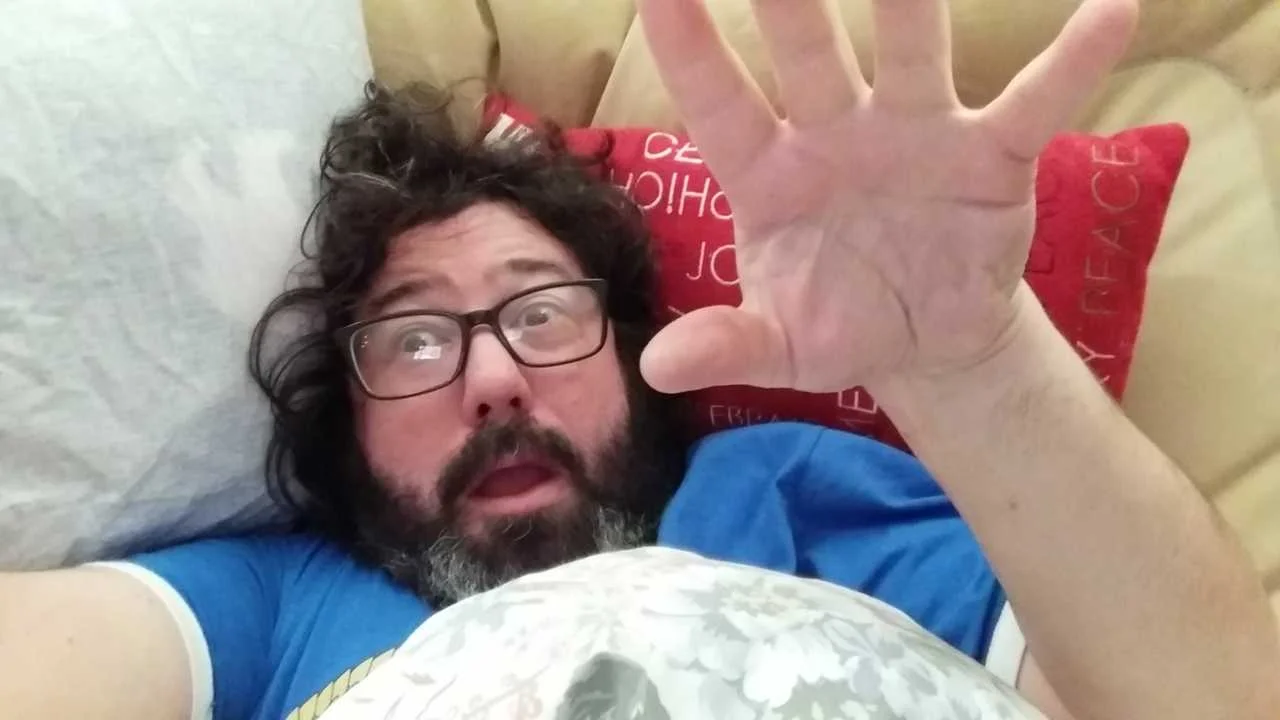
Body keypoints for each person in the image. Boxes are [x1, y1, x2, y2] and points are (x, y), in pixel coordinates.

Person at [2, 0, 1278, 719]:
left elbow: (1210, 703)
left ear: (629, 352)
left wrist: (974, 361)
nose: (492, 380)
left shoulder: (794, 491)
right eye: (415, 338)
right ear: (346, 421)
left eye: (540, 312)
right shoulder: (270, 602)